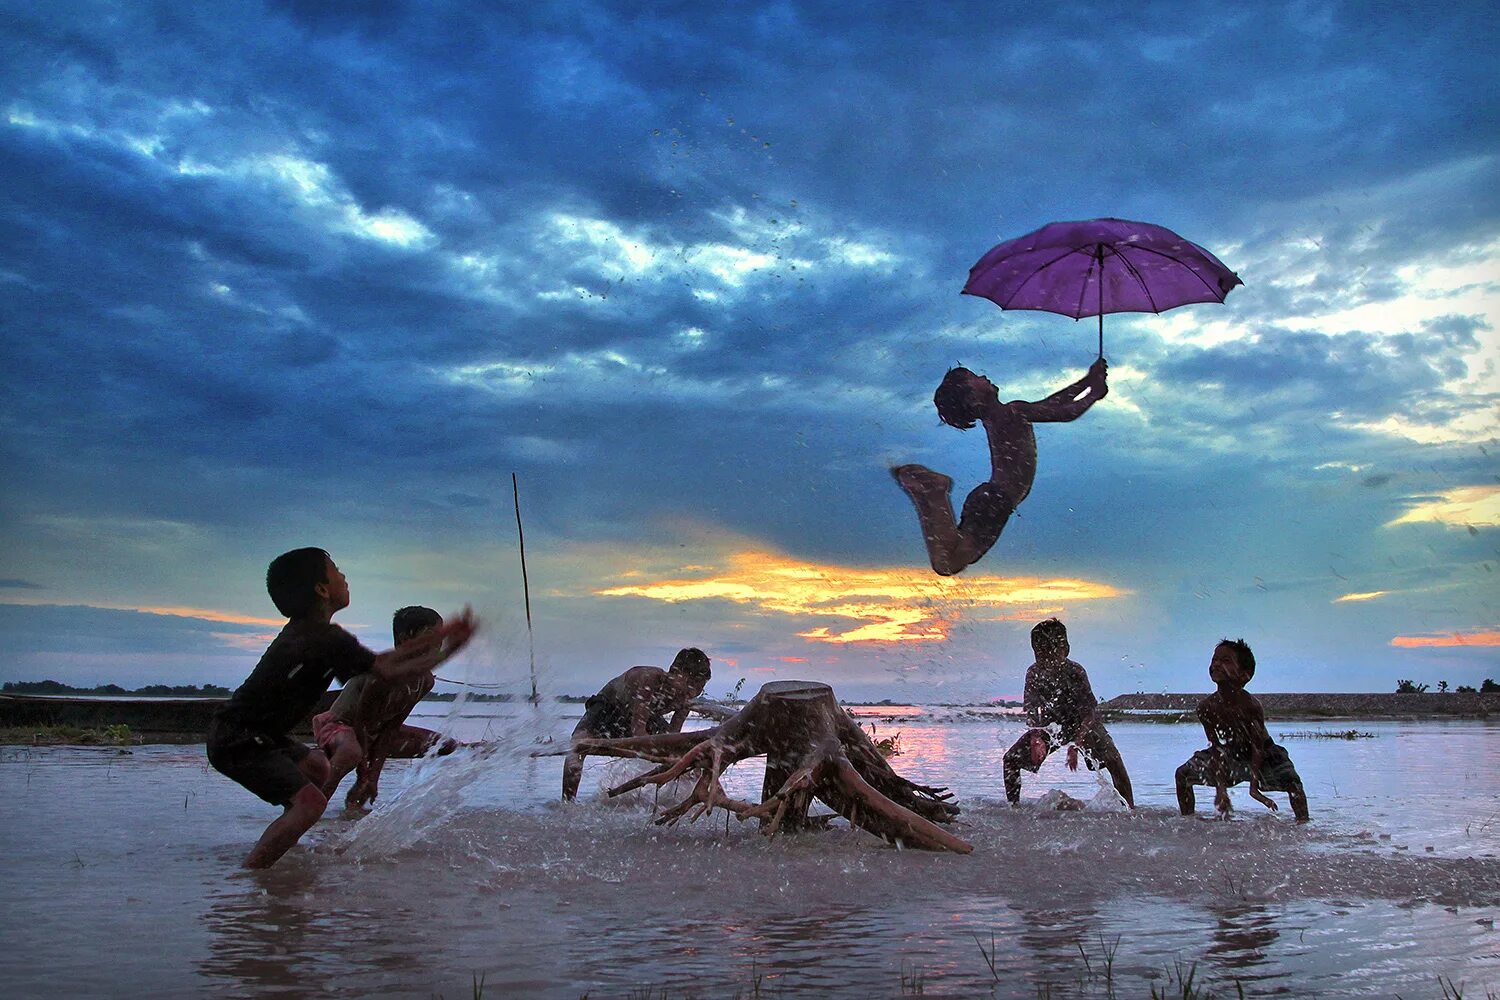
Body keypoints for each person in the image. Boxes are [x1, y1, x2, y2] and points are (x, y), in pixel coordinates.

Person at [206, 548, 477, 868]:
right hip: (239, 737)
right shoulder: (318, 638)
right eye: (335, 570)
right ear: (321, 590)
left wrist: (443, 638)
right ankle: (252, 877)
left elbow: (387, 662)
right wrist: (450, 644)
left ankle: (287, 833)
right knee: (310, 804)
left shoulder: (320, 635)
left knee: (319, 770)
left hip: (261, 735)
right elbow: (388, 669)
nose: (344, 576)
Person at [894, 357, 1108, 575]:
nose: (983, 376)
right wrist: (1093, 393)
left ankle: (927, 497)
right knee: (949, 562)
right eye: (975, 378)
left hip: (991, 498)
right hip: (997, 501)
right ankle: (935, 493)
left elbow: (1051, 404)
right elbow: (1065, 413)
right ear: (973, 399)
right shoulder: (1012, 412)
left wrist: (1088, 380)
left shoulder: (1009, 413)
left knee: (952, 555)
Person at [313, 605, 463, 810]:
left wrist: (373, 778)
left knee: (444, 744)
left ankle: (352, 806)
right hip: (341, 727)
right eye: (429, 634)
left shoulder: (425, 681)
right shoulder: (382, 677)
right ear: (405, 638)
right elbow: (361, 725)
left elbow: (390, 730)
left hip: (374, 732)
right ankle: (310, 807)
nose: (437, 641)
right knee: (351, 752)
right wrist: (363, 774)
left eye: (440, 635)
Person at [1002, 618, 1134, 808]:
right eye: (1039, 654)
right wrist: (1036, 737)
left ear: (1065, 650)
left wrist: (1076, 743)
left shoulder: (1075, 671)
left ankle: (1129, 808)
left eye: (1051, 654)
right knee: (1010, 759)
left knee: (1114, 762)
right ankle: (1013, 808)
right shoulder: (1033, 673)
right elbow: (1032, 711)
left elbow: (1090, 712)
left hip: (1083, 724)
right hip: (1052, 727)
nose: (1046, 661)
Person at [1175, 639, 1309, 822]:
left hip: (1265, 753)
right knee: (1182, 774)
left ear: (1245, 675)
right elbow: (1216, 748)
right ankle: (1187, 821)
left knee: (1293, 783)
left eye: (1226, 660)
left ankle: (1303, 824)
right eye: (1214, 660)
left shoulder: (1251, 706)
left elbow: (1257, 747)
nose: (1216, 664)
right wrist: (1221, 790)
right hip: (1229, 753)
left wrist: (1254, 789)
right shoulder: (1206, 707)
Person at [561, 648, 712, 801]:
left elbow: (672, 738)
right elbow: (638, 733)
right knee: (577, 746)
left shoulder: (684, 699)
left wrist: (681, 759)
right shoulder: (648, 679)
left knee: (687, 752)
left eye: (699, 688)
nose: (691, 692)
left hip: (647, 718)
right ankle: (567, 803)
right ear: (675, 672)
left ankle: (683, 799)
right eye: (690, 683)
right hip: (609, 708)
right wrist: (658, 753)